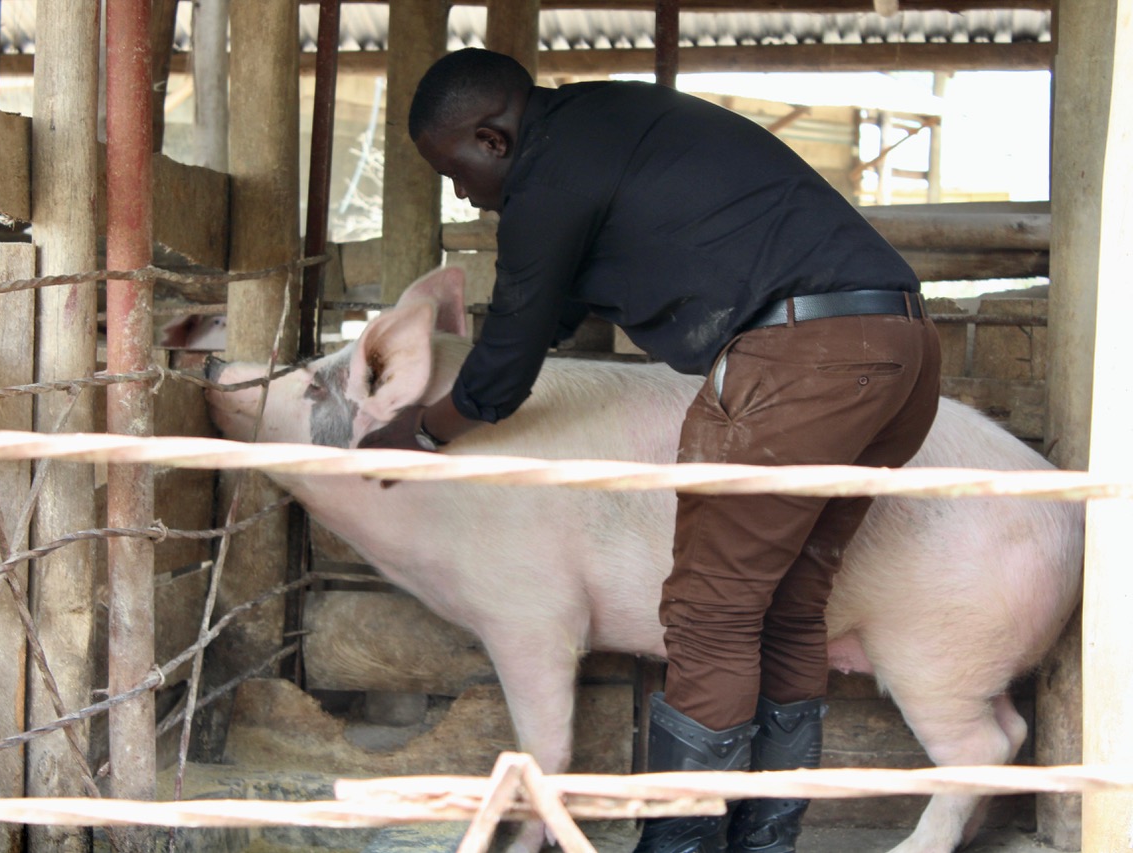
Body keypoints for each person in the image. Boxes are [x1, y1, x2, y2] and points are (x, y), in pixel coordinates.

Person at [361, 48, 941, 853]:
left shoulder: (545, 175)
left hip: (805, 358)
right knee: (788, 607)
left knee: (709, 616)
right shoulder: (606, 121)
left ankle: (678, 846)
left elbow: (510, 361)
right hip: (901, 346)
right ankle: (761, 844)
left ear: (492, 140)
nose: (462, 192)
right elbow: (547, 311)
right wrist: (488, 350)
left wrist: (423, 429)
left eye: (455, 170)